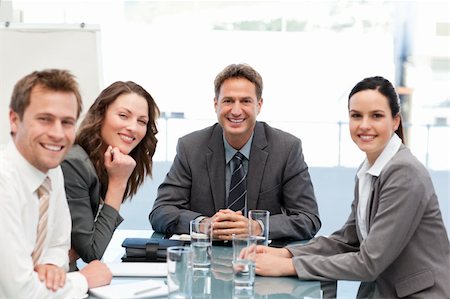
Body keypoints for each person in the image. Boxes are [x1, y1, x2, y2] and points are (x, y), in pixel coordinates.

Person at [253, 76, 450, 298]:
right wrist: (286, 254)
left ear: (395, 121)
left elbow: (369, 263)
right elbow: (348, 240)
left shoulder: (404, 172)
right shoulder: (369, 170)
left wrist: (289, 266)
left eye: (376, 116)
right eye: (356, 115)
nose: (364, 125)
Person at [150, 63, 321, 241]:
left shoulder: (286, 148)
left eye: (246, 101)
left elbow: (308, 218)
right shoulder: (191, 147)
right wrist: (203, 224)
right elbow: (161, 211)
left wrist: (258, 227)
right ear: (216, 104)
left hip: (262, 259)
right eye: (228, 101)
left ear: (259, 105)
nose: (236, 111)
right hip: (204, 258)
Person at [0, 69, 112, 298]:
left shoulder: (52, 173)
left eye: (67, 122)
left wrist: (50, 265)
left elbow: (59, 244)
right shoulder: (4, 183)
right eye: (45, 119)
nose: (58, 134)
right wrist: (84, 280)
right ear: (14, 119)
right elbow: (19, 292)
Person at [61, 81, 159, 270]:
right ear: (101, 114)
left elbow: (85, 248)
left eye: (142, 121)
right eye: (123, 116)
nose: (133, 127)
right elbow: (92, 252)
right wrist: (118, 182)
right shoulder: (74, 163)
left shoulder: (100, 163)